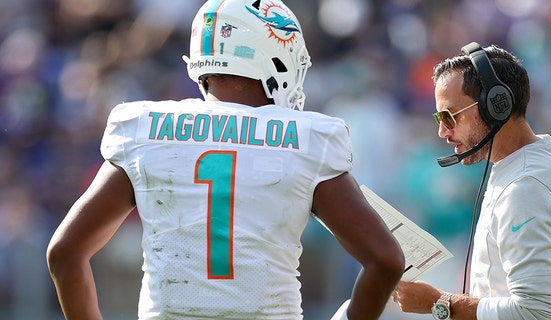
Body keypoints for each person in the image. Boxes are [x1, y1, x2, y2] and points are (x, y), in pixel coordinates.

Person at [46, 0, 405, 319]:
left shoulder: (146, 129)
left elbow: (64, 252)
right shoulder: (308, 138)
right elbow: (386, 260)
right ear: (271, 57)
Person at [392, 42, 551, 319]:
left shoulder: (525, 187)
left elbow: (534, 311)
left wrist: (438, 303)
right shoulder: (546, 158)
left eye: (449, 116)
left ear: (496, 106)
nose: (442, 131)